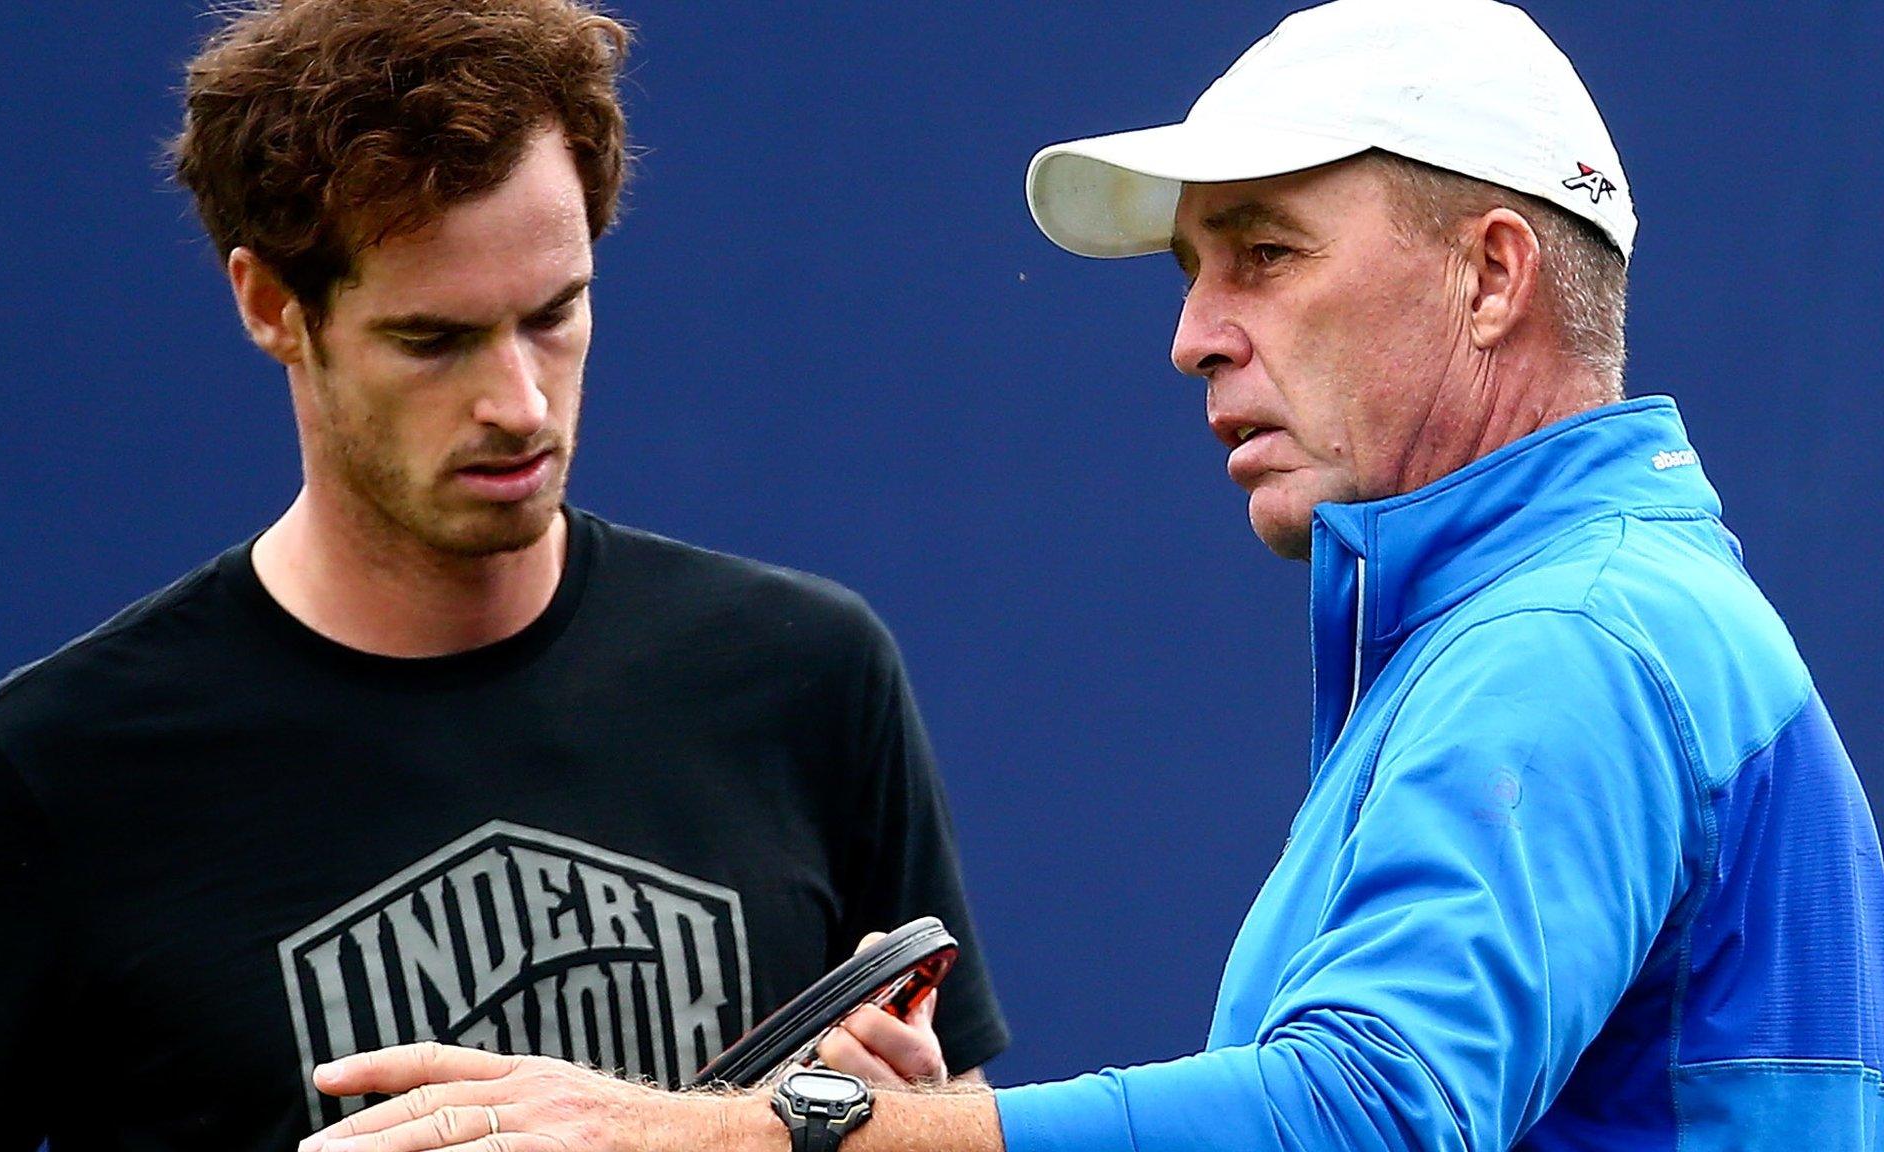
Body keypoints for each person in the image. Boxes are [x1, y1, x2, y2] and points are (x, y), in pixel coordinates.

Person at [295, 0, 1884, 1149]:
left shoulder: (1572, 637)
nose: (1194, 333)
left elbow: (1372, 1114)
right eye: (1195, 271)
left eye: (1263, 253)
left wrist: (771, 1138)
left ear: (1488, 276)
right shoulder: (1587, 615)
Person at [0, 1, 1011, 1148]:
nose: (520, 403)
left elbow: (950, 1110)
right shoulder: (51, 770)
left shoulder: (806, 675)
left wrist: (872, 1130)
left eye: (555, 314)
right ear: (272, 306)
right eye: (432, 340)